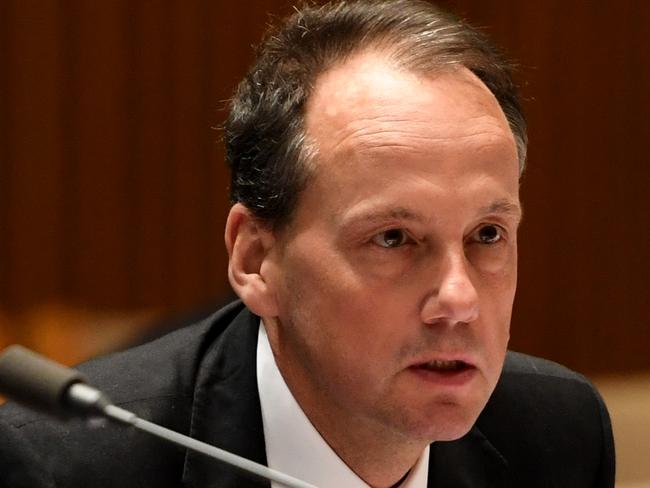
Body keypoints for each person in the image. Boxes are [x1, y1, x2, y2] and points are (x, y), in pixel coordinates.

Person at [0, 1, 615, 487]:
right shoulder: (61, 464)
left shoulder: (556, 435)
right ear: (256, 260)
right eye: (394, 238)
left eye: (487, 235)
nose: (459, 300)